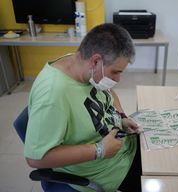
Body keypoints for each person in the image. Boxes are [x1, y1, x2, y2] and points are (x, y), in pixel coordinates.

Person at [24, 23, 142, 192]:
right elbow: (35, 159)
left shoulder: (81, 63)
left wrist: (122, 116)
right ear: (95, 60)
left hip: (123, 146)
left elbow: (108, 91)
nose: (117, 80)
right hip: (107, 170)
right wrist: (99, 150)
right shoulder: (53, 94)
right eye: (115, 72)